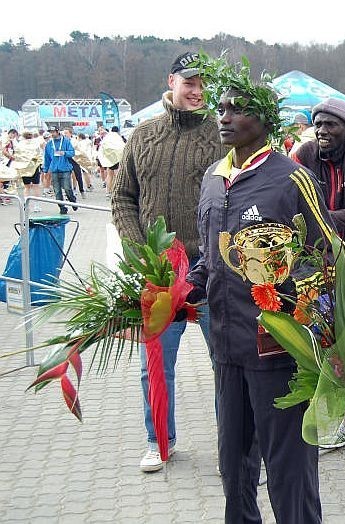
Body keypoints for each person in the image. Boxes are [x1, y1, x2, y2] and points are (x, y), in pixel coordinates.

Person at [187, 71, 331, 523]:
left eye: (238, 109)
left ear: (266, 120)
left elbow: (326, 259)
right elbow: (208, 258)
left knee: (289, 473)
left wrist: (299, 313)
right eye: (221, 108)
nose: (224, 117)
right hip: (226, 348)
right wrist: (177, 292)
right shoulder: (213, 177)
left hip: (277, 353)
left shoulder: (293, 179)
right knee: (234, 468)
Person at [111, 51, 224, 473]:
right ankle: (160, 440)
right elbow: (122, 197)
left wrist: (215, 256)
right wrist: (140, 252)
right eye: (189, 82)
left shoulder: (220, 136)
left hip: (208, 271)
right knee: (155, 366)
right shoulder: (143, 135)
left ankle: (233, 446)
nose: (197, 92)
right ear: (172, 81)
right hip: (158, 273)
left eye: (203, 85)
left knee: (226, 365)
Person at [292, 97, 345, 312]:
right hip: (315, 263)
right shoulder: (304, 154)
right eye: (318, 124)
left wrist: (314, 218)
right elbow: (289, 203)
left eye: (331, 124)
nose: (322, 130)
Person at [42, 126, 77, 215]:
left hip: (65, 168)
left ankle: (72, 200)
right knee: (57, 191)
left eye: (53, 132)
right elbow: (47, 158)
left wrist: (64, 153)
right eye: (51, 132)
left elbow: (72, 152)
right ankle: (62, 207)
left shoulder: (65, 141)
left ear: (57, 132)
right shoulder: (49, 144)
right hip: (54, 170)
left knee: (67, 188)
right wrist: (46, 169)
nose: (52, 134)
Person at [99, 126, 126, 197]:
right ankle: (118, 190)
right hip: (117, 158)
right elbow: (122, 147)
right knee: (118, 175)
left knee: (109, 175)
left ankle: (108, 191)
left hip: (109, 158)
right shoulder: (118, 137)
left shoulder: (108, 137)